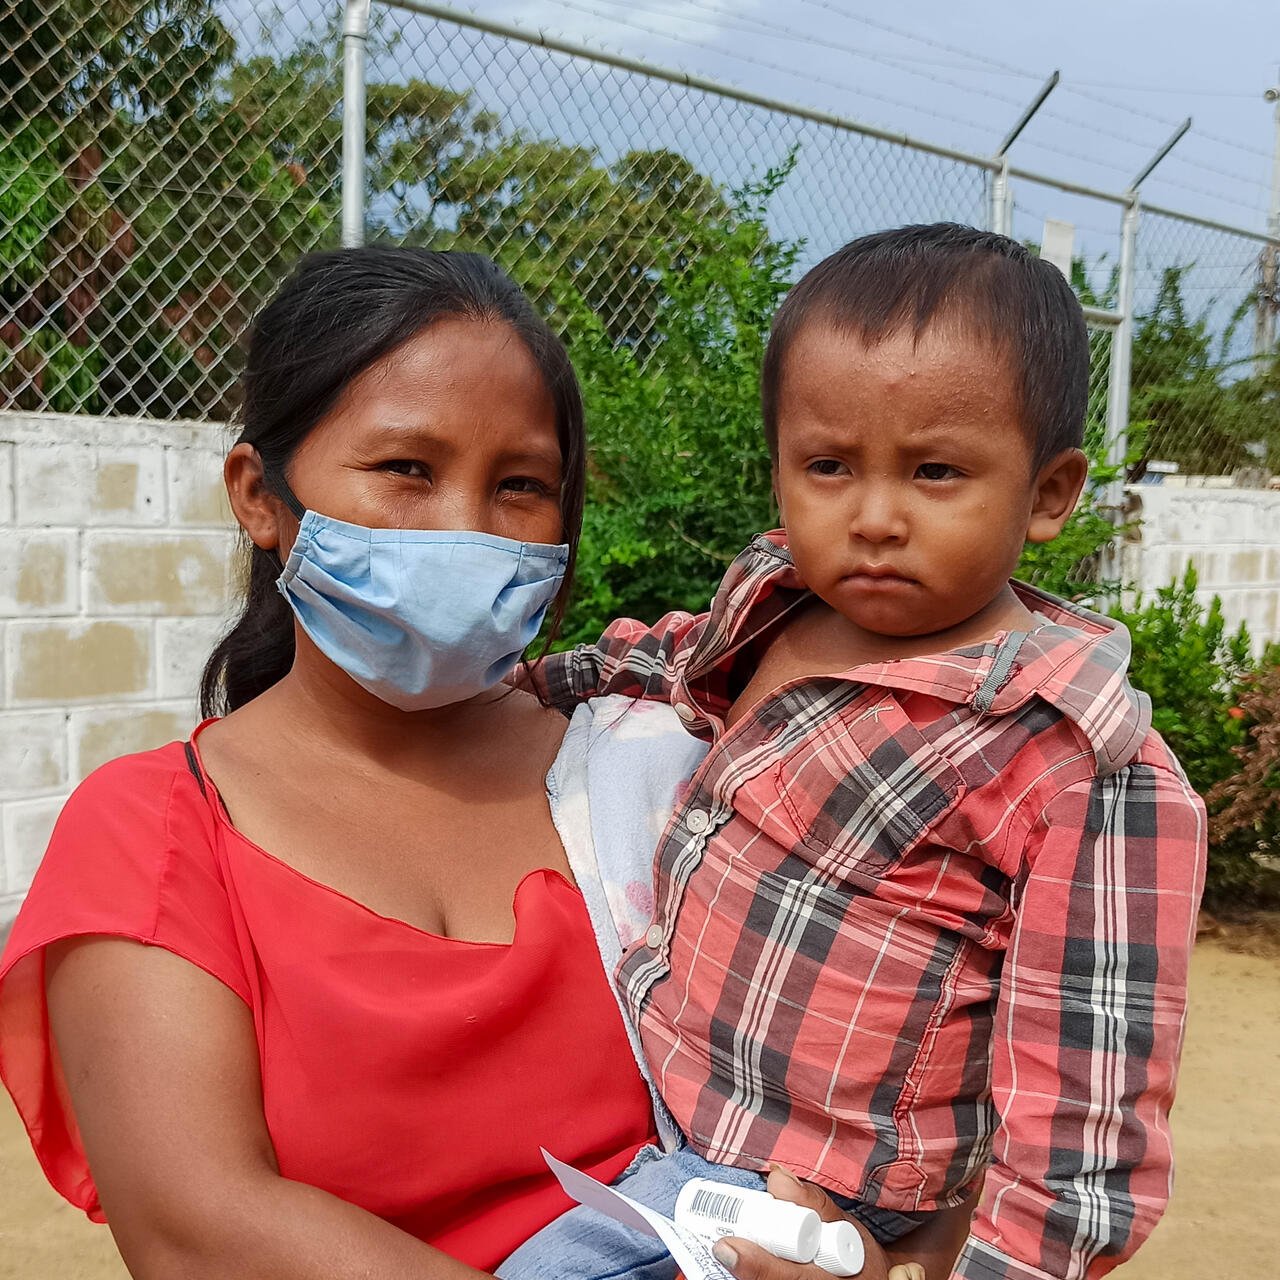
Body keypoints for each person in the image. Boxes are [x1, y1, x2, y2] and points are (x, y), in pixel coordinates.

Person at [505, 224, 1208, 1280]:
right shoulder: (782, 602)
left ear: (1049, 490)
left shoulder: (1075, 761)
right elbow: (660, 660)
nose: (873, 517)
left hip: (800, 1191)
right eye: (828, 465)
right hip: (665, 1086)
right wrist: (515, 683)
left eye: (935, 470)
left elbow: (1085, 1115)